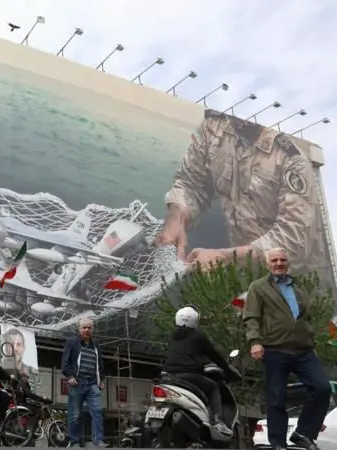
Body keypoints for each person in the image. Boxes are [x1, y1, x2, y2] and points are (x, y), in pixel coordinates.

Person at [155, 109, 327, 279]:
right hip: (245, 271)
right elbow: (191, 182)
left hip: (298, 279)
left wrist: (222, 258)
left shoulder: (292, 159)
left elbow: (293, 241)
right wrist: (177, 218)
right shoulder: (212, 128)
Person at [243, 247, 331, 450]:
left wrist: (310, 338)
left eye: (282, 260)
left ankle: (303, 433)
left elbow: (305, 317)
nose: (279, 263)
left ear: (288, 263)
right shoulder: (258, 287)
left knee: (322, 388)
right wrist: (255, 341)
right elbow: (251, 317)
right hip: (275, 349)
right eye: (274, 260)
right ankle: (278, 443)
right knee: (276, 398)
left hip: (303, 349)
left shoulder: (297, 286)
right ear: (267, 264)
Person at [162, 306, 236, 436]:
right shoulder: (198, 335)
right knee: (213, 387)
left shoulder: (172, 336)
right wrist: (227, 369)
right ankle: (217, 421)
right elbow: (213, 354)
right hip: (189, 375)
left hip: (169, 376)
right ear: (196, 320)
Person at [61, 318, 106, 448]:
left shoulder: (96, 345)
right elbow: (65, 363)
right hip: (77, 384)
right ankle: (74, 442)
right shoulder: (72, 342)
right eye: (84, 327)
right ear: (79, 329)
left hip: (93, 384)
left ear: (93, 329)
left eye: (89, 328)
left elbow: (100, 364)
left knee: (97, 412)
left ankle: (98, 440)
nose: (86, 330)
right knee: (75, 414)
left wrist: (102, 379)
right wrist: (70, 377)